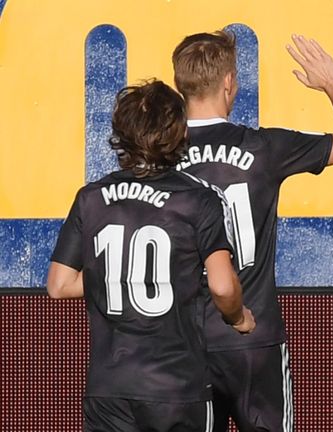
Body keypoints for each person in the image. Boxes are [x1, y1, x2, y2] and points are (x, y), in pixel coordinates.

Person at [172, 30, 333, 432]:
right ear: (229, 82)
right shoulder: (264, 147)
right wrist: (332, 84)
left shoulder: (157, 154)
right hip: (253, 335)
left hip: (182, 341)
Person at [46, 80, 255, 432]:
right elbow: (222, 286)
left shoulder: (91, 198)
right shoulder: (197, 200)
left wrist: (121, 276)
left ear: (121, 133)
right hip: (178, 388)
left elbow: (59, 284)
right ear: (178, 132)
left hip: (110, 389)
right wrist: (238, 319)